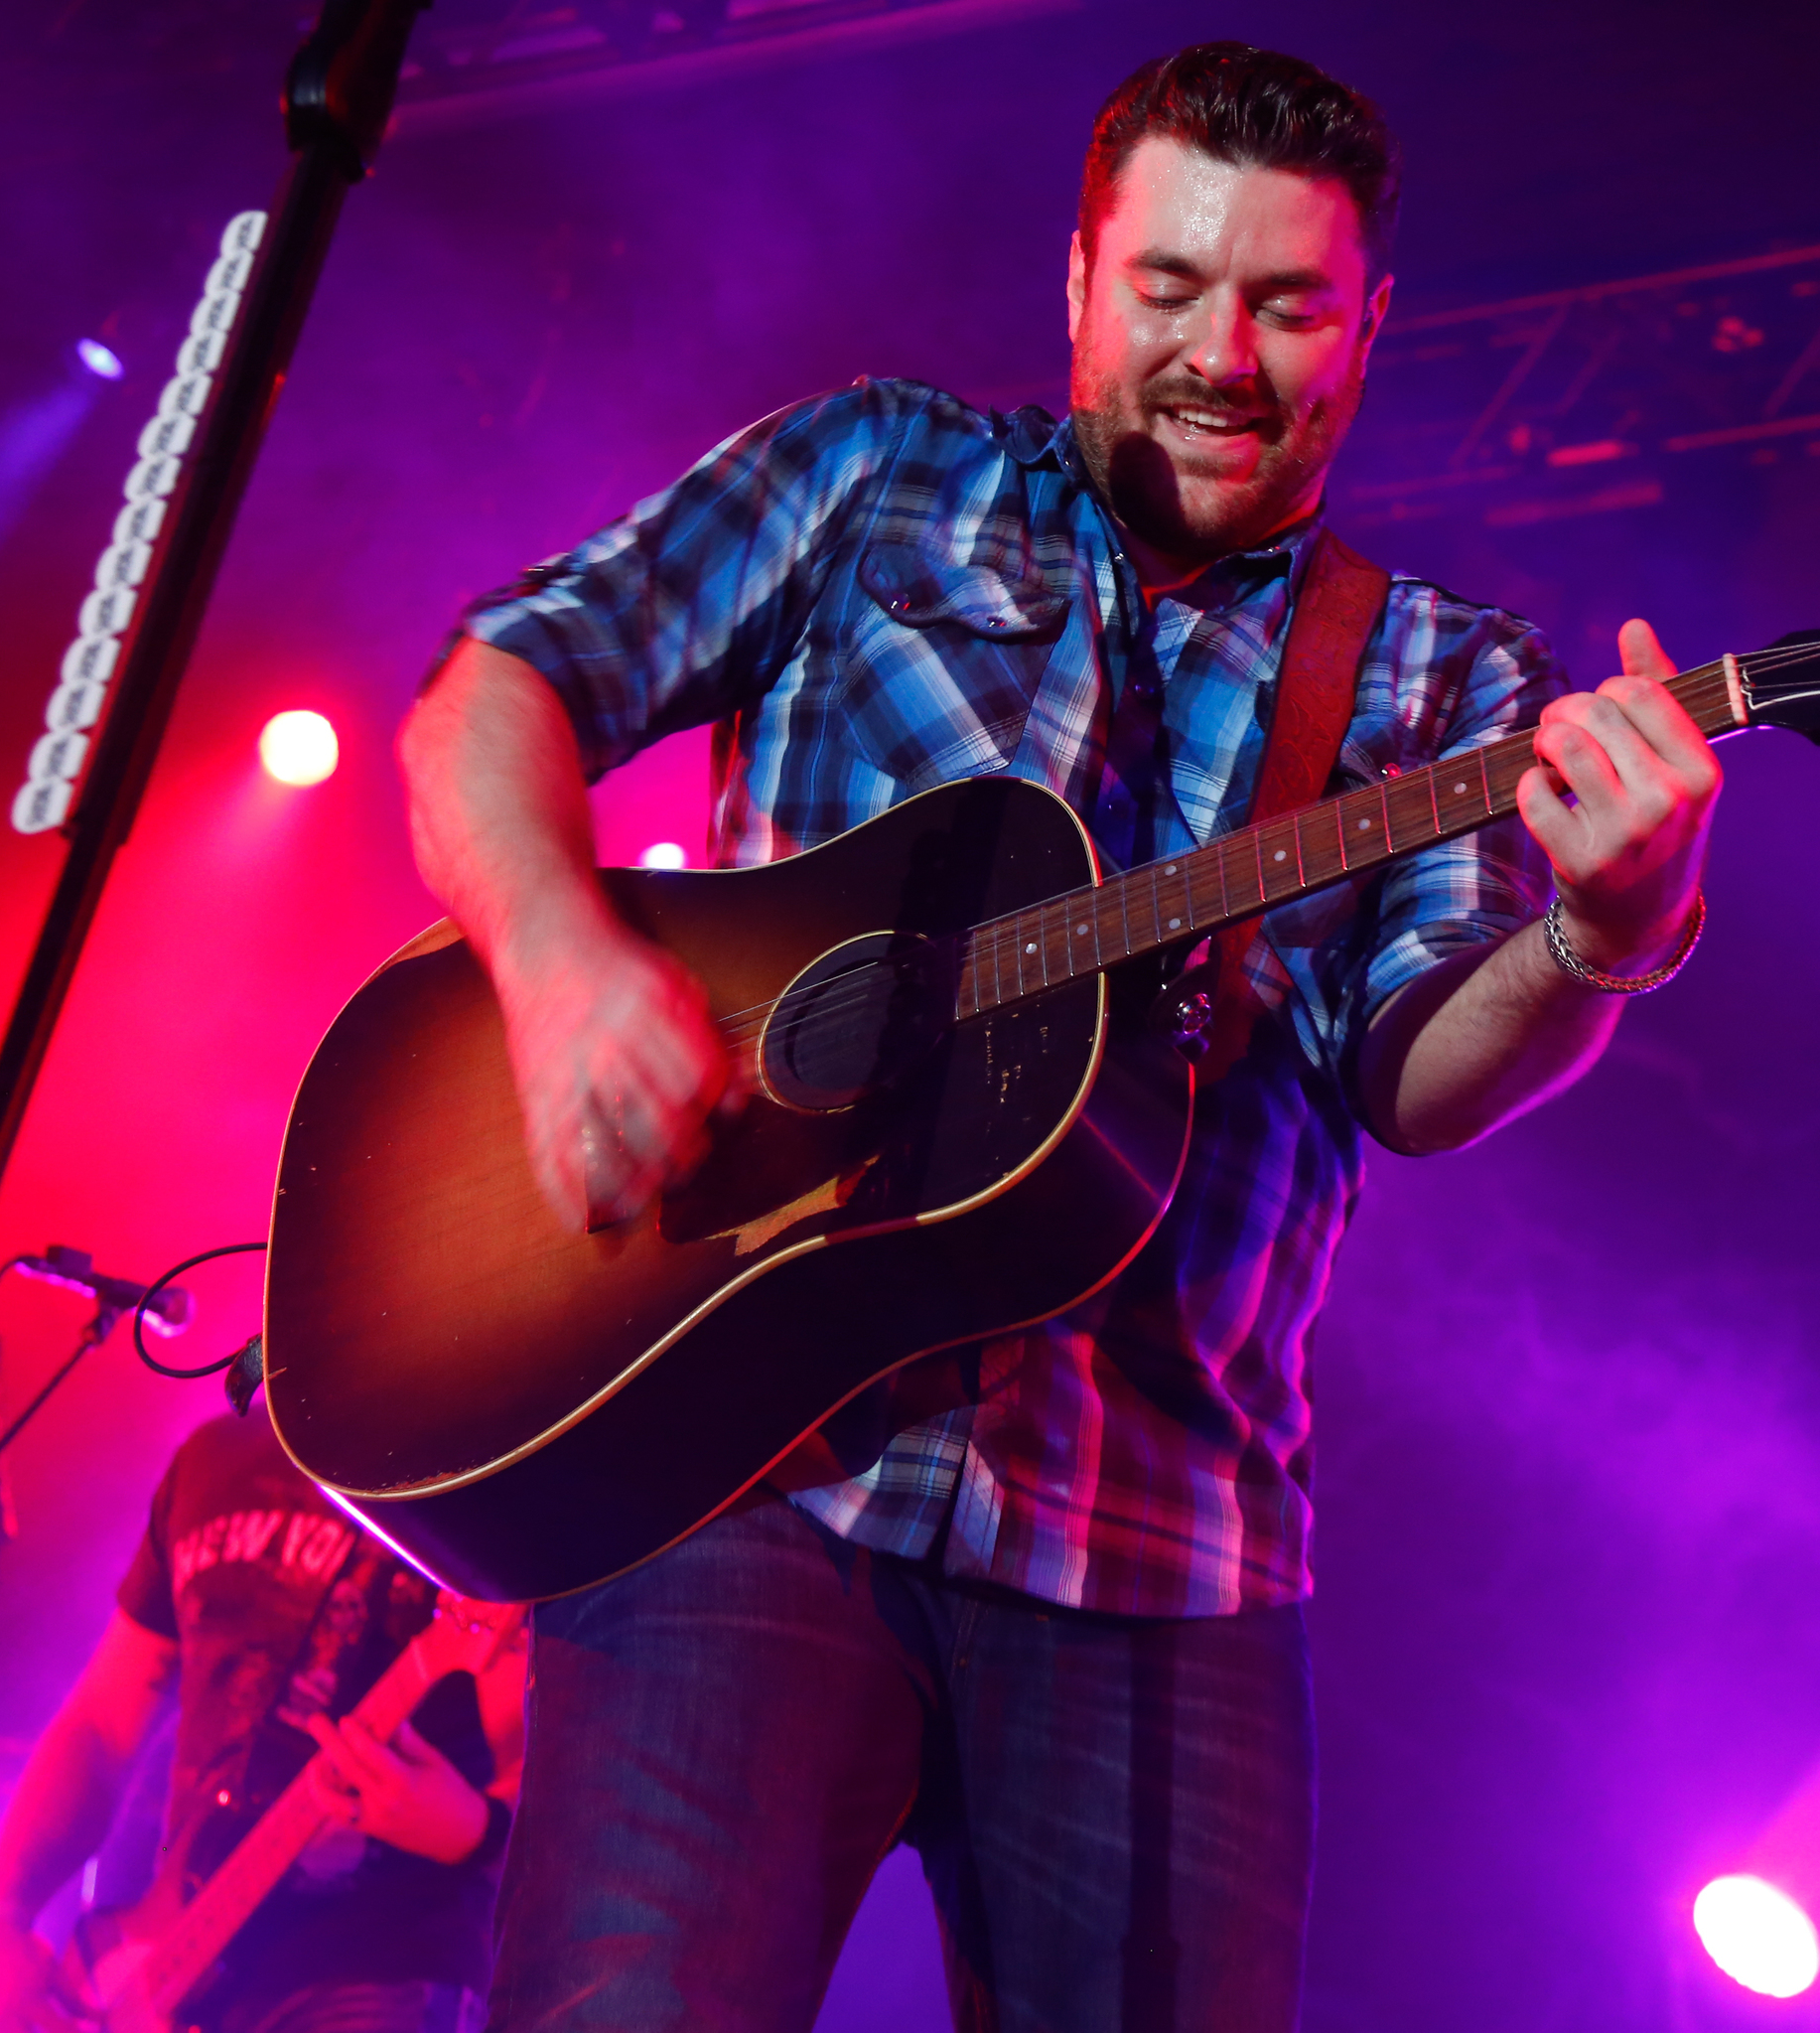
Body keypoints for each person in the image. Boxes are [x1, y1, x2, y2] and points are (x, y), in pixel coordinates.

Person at [399, 41, 1721, 2033]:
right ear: (1081, 280)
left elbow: (1415, 1078)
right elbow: (501, 689)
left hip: (1164, 1555)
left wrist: (1618, 929)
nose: (1224, 353)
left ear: (1370, 327)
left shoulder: (1448, 674)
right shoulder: (872, 480)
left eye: (1285, 304)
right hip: (755, 1477)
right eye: (1172, 289)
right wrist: (563, 962)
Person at [0, 1408, 525, 2033]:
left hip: (383, 1972)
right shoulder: (214, 1456)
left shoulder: (469, 1452)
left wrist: (473, 1831)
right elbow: (101, 1725)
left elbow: (547, 1784)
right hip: (174, 1960)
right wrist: (0, 1915)